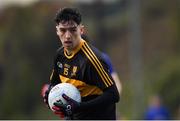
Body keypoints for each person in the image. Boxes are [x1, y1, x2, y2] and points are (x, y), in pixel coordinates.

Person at [42, 7, 120, 120]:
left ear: (81, 30)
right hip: (74, 116)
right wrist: (49, 94)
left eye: (73, 30)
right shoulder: (59, 55)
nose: (67, 36)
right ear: (57, 31)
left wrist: (80, 107)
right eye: (63, 30)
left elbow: (113, 95)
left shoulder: (91, 60)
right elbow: (55, 82)